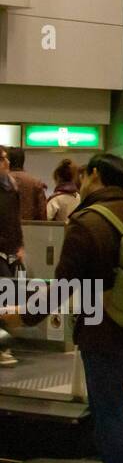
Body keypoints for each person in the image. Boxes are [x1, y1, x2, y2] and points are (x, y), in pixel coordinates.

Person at [6, 154, 123, 463]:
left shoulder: (86, 221)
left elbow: (63, 287)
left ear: (95, 175)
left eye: (84, 174)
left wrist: (25, 316)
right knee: (110, 404)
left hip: (103, 331)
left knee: (109, 411)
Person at [0, 147, 24, 367]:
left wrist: (19, 244)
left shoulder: (10, 186)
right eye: (3, 158)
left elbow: (14, 219)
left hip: (7, 250)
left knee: (7, 294)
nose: (7, 162)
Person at [4, 146, 47, 221]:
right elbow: (42, 212)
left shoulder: (3, 181)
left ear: (8, 160)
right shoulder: (35, 183)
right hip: (30, 228)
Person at [46, 159, 82, 223]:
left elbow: (46, 219)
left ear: (58, 178)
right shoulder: (79, 197)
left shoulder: (55, 199)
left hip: (59, 232)